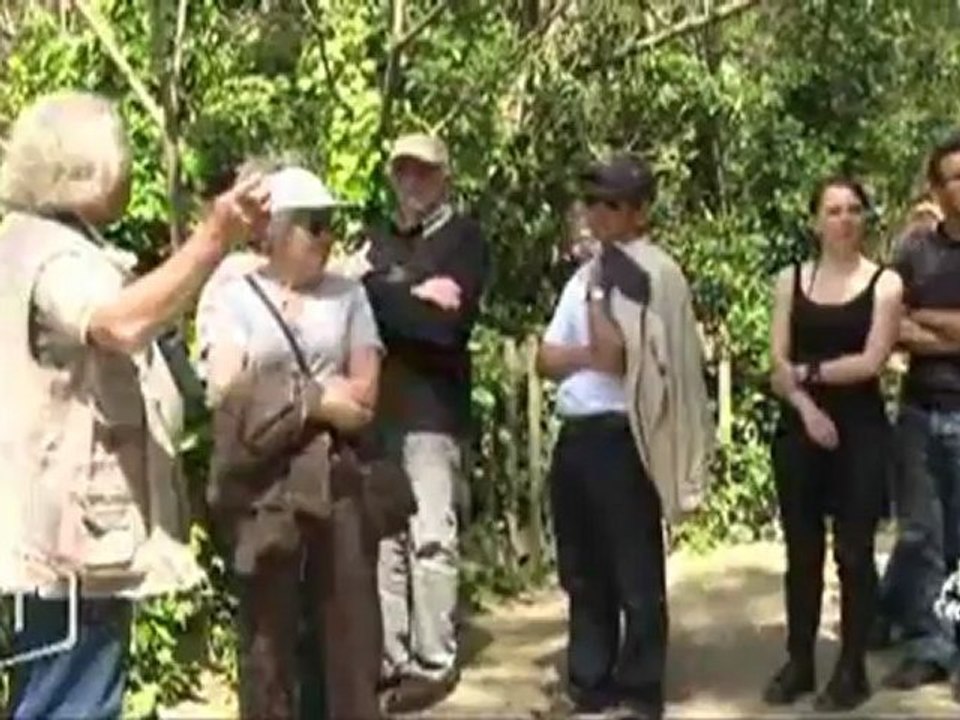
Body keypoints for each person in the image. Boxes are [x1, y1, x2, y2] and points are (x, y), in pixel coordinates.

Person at [0, 90, 268, 719]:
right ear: (87, 166)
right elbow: (117, 326)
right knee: (74, 702)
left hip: (73, 528)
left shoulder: (40, 240)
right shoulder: (49, 252)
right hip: (69, 537)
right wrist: (211, 240)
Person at [203, 165, 386, 719]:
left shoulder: (349, 295)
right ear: (277, 231)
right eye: (315, 224)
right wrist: (314, 398)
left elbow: (364, 400)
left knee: (349, 634)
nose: (329, 237)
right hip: (265, 488)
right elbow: (226, 393)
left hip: (335, 478)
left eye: (332, 224)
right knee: (267, 637)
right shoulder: (236, 295)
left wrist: (282, 398)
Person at [538, 153, 713, 720]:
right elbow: (544, 358)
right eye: (591, 202)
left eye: (610, 204)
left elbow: (615, 357)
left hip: (626, 433)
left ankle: (639, 689)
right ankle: (590, 681)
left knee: (633, 567)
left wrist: (595, 303)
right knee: (583, 567)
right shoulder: (585, 274)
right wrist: (586, 339)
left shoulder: (648, 273)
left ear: (639, 212)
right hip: (578, 430)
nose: (597, 214)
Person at [356, 133, 489, 714]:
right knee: (386, 541)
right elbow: (358, 305)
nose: (412, 183)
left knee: (431, 538)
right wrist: (409, 292)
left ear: (445, 178)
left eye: (424, 173)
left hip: (433, 413)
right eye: (403, 173)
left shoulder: (465, 241)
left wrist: (381, 289)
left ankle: (435, 661)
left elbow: (443, 331)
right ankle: (393, 659)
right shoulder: (378, 240)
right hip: (379, 410)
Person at [765, 177, 902, 711]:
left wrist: (808, 372)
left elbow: (871, 360)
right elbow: (777, 364)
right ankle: (800, 660)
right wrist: (805, 405)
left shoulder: (885, 284)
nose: (843, 220)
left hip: (861, 428)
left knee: (853, 551)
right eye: (832, 210)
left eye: (853, 210)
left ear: (864, 218)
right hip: (801, 426)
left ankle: (851, 668)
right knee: (802, 549)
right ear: (815, 221)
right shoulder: (791, 280)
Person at [879, 132, 960, 700]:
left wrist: (922, 324)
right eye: (952, 177)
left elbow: (909, 324)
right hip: (920, 410)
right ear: (936, 187)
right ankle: (930, 646)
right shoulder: (914, 251)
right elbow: (886, 327)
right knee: (922, 534)